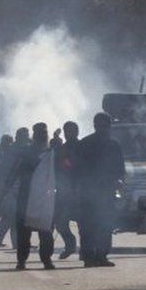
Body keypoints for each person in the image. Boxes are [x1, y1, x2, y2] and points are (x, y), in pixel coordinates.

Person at [75, 112, 125, 267]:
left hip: (106, 192)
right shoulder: (85, 143)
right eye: (100, 126)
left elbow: (120, 169)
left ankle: (101, 256)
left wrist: (120, 182)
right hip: (88, 193)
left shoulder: (114, 145)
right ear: (95, 126)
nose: (103, 129)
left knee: (105, 225)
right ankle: (89, 257)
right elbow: (78, 169)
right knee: (88, 226)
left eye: (106, 126)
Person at [15, 123, 55, 270]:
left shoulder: (51, 152)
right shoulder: (26, 153)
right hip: (27, 195)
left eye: (44, 132)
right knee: (24, 232)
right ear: (34, 135)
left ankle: (46, 259)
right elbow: (17, 170)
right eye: (40, 133)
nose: (42, 135)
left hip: (45, 195)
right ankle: (21, 260)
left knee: (46, 230)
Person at [51, 122, 80, 258]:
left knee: (83, 223)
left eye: (71, 130)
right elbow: (56, 166)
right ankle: (70, 245)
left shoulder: (83, 147)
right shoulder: (62, 149)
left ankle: (85, 251)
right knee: (60, 222)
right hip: (64, 191)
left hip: (81, 191)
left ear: (77, 131)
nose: (69, 133)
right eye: (67, 131)